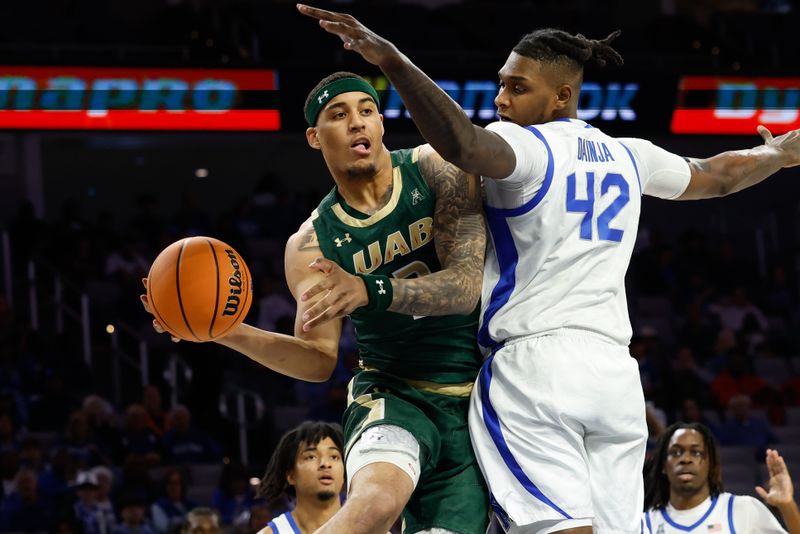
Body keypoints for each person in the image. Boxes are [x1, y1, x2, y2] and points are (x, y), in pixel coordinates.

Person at [296, 5, 800, 533]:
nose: (501, 100)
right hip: (616, 380)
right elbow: (714, 175)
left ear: (561, 96)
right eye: (501, 85)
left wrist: (394, 62)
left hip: (535, 369)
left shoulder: (524, 145)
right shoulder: (629, 154)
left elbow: (461, 143)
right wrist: (776, 157)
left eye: (517, 88)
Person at [142, 70, 489, 534]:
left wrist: (370, 289)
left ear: (382, 124)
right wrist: (225, 330)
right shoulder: (311, 243)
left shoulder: (433, 168)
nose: (357, 123)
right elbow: (319, 360)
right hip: (392, 392)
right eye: (339, 114)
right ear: (313, 136)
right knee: (375, 504)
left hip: (476, 398)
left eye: (367, 111)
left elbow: (464, 289)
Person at [643, 422, 800, 533]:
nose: (686, 459)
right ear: (663, 465)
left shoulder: (742, 509)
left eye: (696, 452)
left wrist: (787, 506)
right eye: (676, 452)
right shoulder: (645, 524)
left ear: (710, 464)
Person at [255, 421, 344, 533]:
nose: (325, 464)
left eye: (334, 457)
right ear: (291, 475)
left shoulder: (367, 528)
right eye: (311, 457)